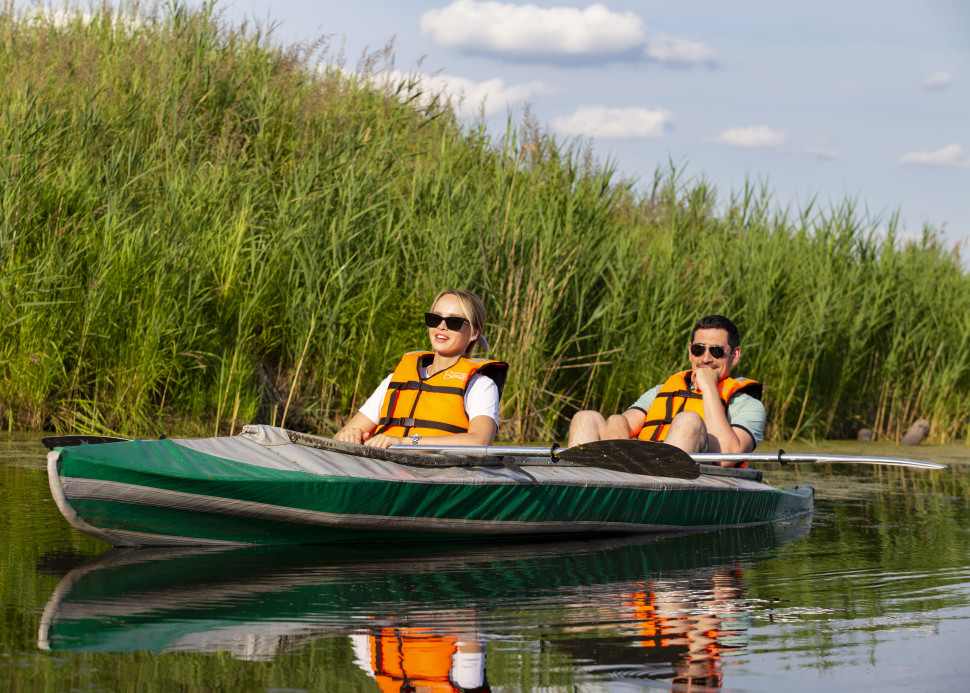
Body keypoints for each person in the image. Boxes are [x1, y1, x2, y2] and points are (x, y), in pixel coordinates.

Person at [567, 315, 764, 463]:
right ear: (690, 352)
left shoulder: (748, 405)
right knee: (586, 418)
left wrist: (709, 388)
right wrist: (617, 422)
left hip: (700, 479)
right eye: (698, 349)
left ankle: (662, 493)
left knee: (689, 420)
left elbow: (728, 456)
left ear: (735, 355)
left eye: (716, 351)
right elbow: (624, 423)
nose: (705, 358)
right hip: (640, 469)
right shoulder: (662, 390)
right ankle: (580, 490)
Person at [334, 289, 507, 449]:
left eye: (453, 322)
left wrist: (406, 442)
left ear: (474, 333)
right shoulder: (395, 380)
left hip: (440, 475)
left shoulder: (480, 386)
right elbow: (339, 437)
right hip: (383, 470)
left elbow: (479, 442)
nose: (441, 326)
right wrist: (350, 436)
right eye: (435, 318)